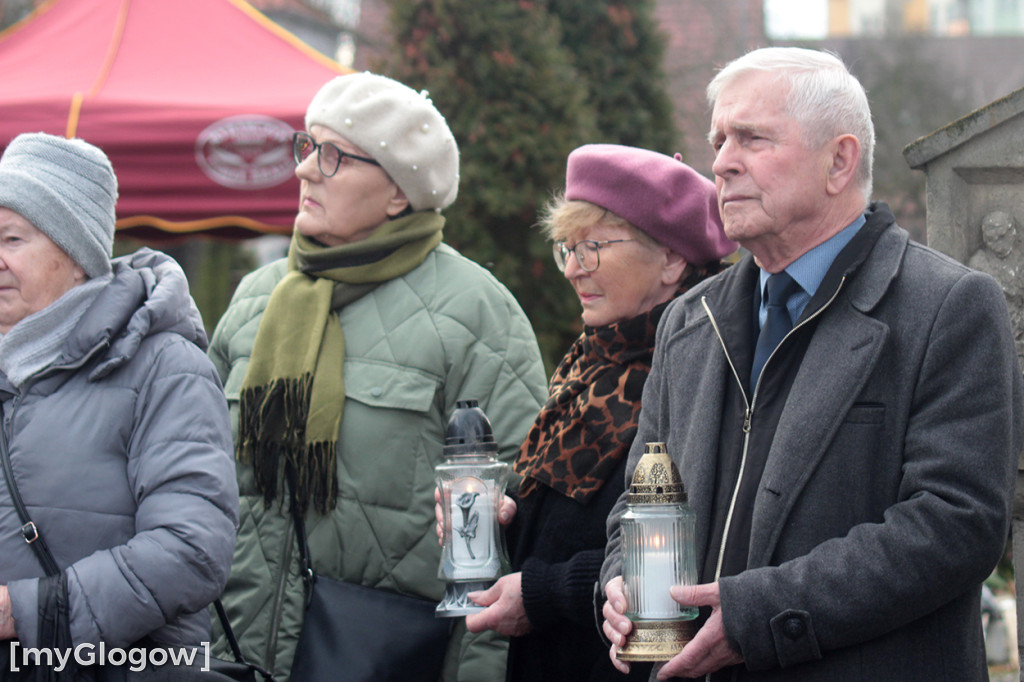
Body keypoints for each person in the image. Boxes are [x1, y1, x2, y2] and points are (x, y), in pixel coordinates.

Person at [600, 47, 1024, 682]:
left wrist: (758, 616)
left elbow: (956, 524)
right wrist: (619, 582)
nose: (721, 162)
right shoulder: (688, 321)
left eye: (751, 138)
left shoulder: (948, 307)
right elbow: (639, 498)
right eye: (718, 140)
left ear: (839, 161)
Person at [208, 72, 548, 680]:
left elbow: (505, 548)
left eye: (333, 156)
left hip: (377, 656)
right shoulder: (256, 300)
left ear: (399, 193)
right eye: (306, 147)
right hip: (227, 647)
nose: (305, 171)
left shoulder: (479, 316)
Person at [457, 144, 735, 682]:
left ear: (673, 259)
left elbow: (692, 558)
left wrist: (546, 593)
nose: (572, 269)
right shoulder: (591, 359)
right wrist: (495, 519)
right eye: (568, 248)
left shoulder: (706, 367)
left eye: (594, 247)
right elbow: (563, 528)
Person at [0, 133, 239, 669]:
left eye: (12, 239)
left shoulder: (166, 368)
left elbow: (191, 548)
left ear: (78, 256)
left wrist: (25, 612)